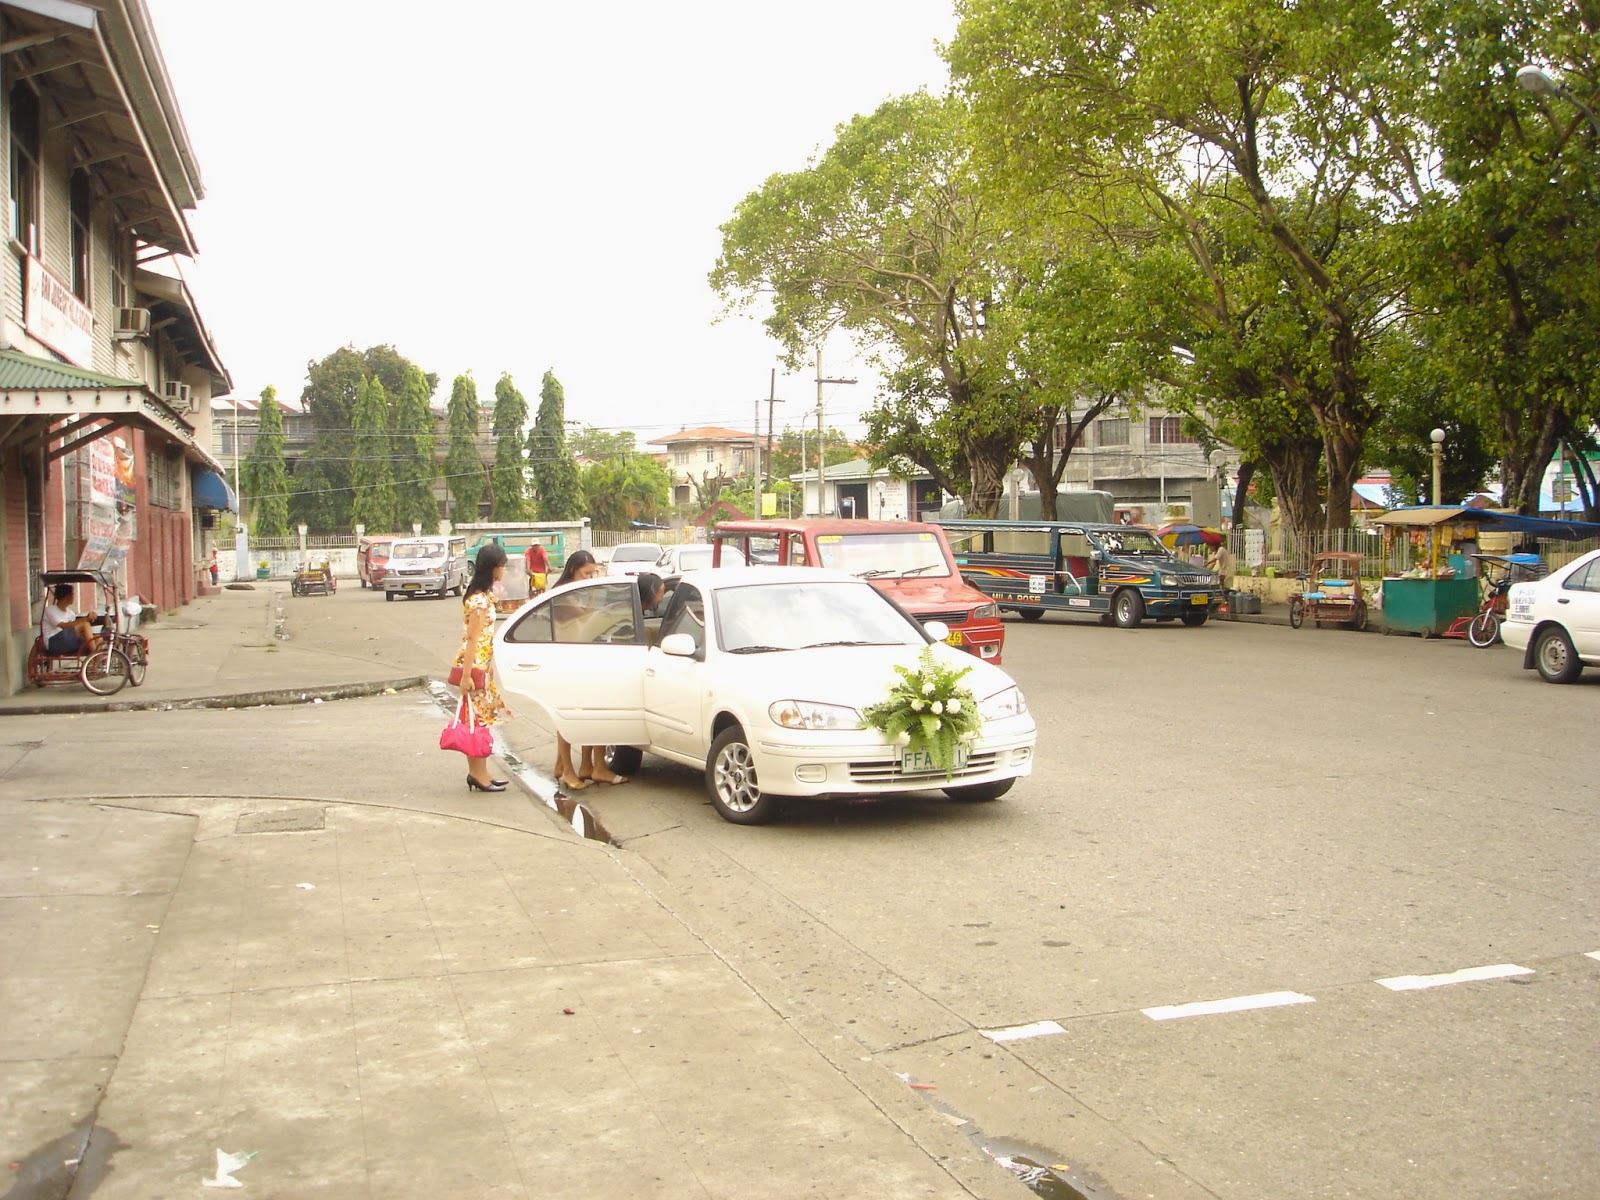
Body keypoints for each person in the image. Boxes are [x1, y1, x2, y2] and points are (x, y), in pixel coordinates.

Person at [456, 544, 512, 793]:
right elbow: (472, 640)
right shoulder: (479, 601)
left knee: (479, 719)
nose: (504, 571)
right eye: (502, 566)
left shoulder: (481, 596)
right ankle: (477, 774)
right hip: (475, 666)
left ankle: (482, 772)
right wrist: (467, 675)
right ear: (493, 568)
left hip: (481, 666)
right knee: (476, 721)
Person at [549, 550, 603, 791]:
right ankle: (567, 770)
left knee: (583, 713)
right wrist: (594, 592)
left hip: (579, 658)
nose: (589, 578)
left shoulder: (576, 592)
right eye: (586, 574)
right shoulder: (563, 595)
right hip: (565, 661)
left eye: (592, 574)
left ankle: (566, 765)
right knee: (567, 718)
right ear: (573, 570)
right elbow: (587, 616)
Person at [42, 584, 102, 655]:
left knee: (98, 638)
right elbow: (64, 626)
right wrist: (85, 619)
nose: (74, 596)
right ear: (66, 596)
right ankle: (95, 656)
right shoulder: (50, 610)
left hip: (68, 640)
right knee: (85, 624)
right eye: (72, 594)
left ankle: (93, 660)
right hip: (53, 642)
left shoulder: (71, 613)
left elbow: (75, 629)